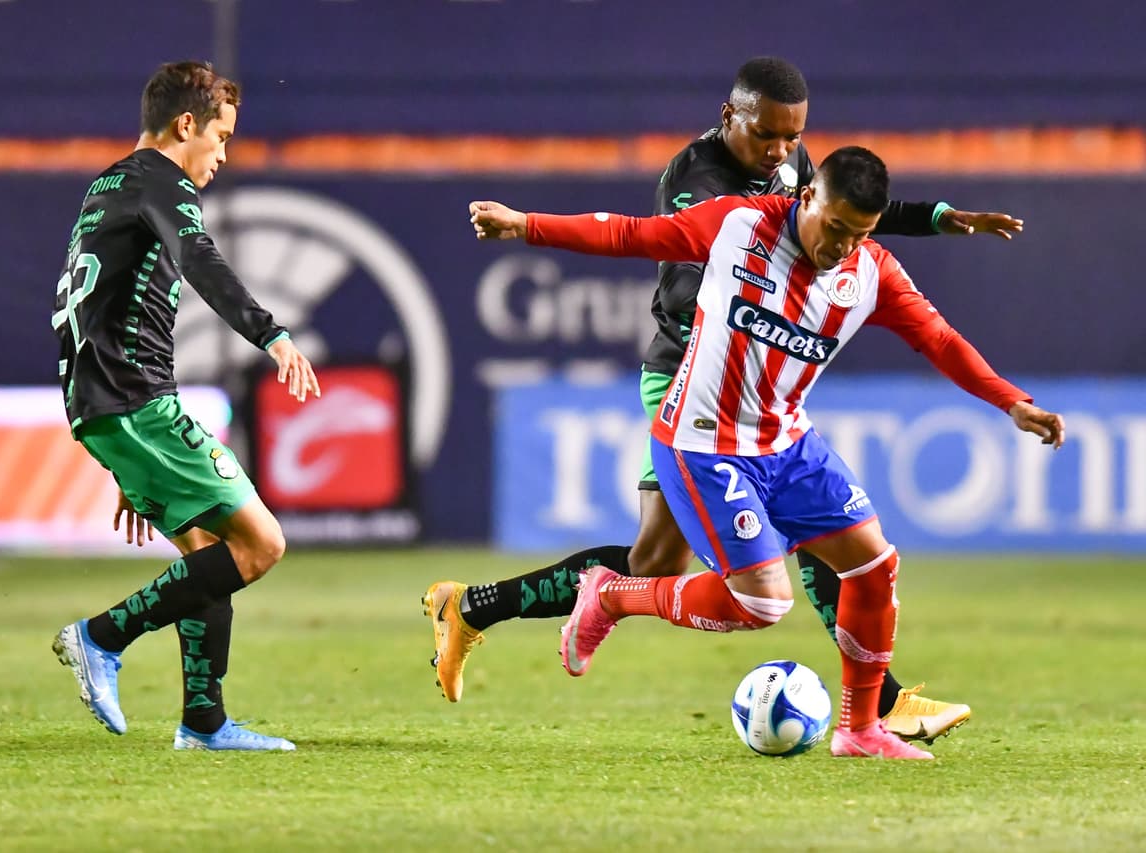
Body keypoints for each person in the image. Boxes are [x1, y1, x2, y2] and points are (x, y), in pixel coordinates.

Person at [425, 57, 1020, 744]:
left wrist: (937, 218)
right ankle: (879, 705)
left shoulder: (793, 173)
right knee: (736, 553)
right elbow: (677, 271)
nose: (780, 151)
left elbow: (843, 214)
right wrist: (757, 308)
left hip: (756, 389)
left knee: (674, 560)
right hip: (692, 375)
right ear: (729, 115)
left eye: (793, 137)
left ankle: (470, 606)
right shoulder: (699, 185)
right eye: (767, 135)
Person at [49, 61, 320, 751]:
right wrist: (271, 333)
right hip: (134, 400)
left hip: (107, 403)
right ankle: (100, 637)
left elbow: (95, 306)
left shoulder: (108, 185)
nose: (223, 155)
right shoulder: (162, 182)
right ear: (186, 124)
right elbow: (198, 258)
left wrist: (125, 454)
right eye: (221, 137)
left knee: (205, 553)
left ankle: (204, 721)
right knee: (260, 544)